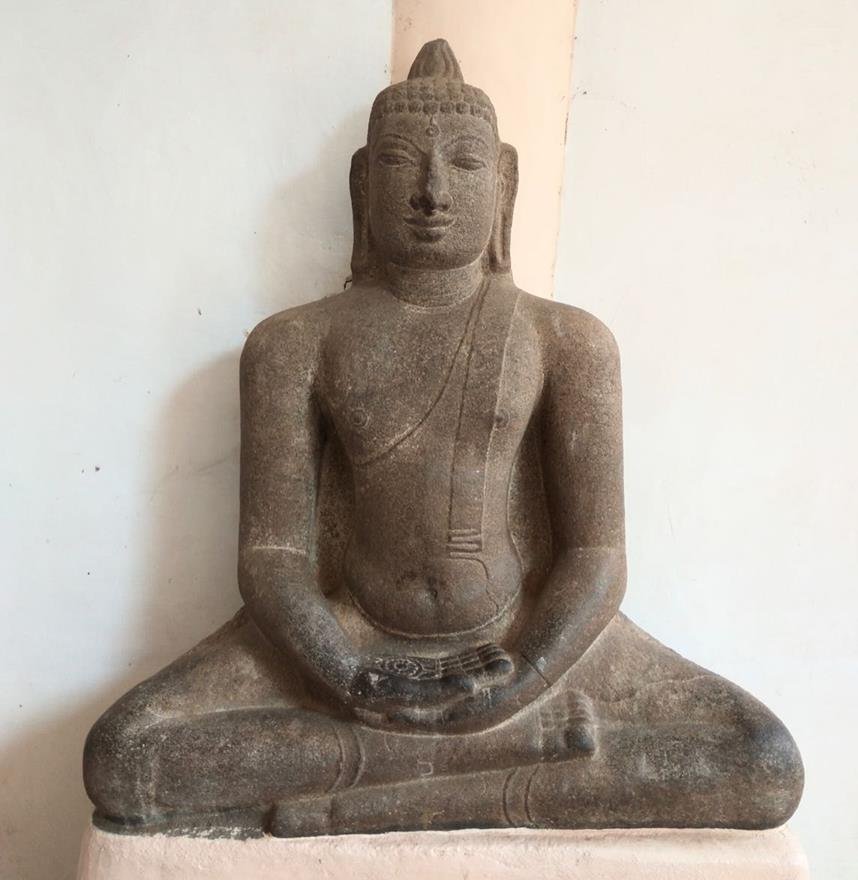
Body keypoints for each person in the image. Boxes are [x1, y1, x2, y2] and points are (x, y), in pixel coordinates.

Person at [84, 40, 803, 836]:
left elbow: (597, 557)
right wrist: (352, 679)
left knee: (760, 762)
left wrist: (525, 676)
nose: (431, 193)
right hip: (353, 639)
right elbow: (274, 559)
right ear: (363, 185)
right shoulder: (294, 344)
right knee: (125, 757)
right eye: (400, 163)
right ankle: (505, 764)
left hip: (517, 640)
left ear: (506, 184)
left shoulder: (565, 339)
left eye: (464, 165)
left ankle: (404, 782)